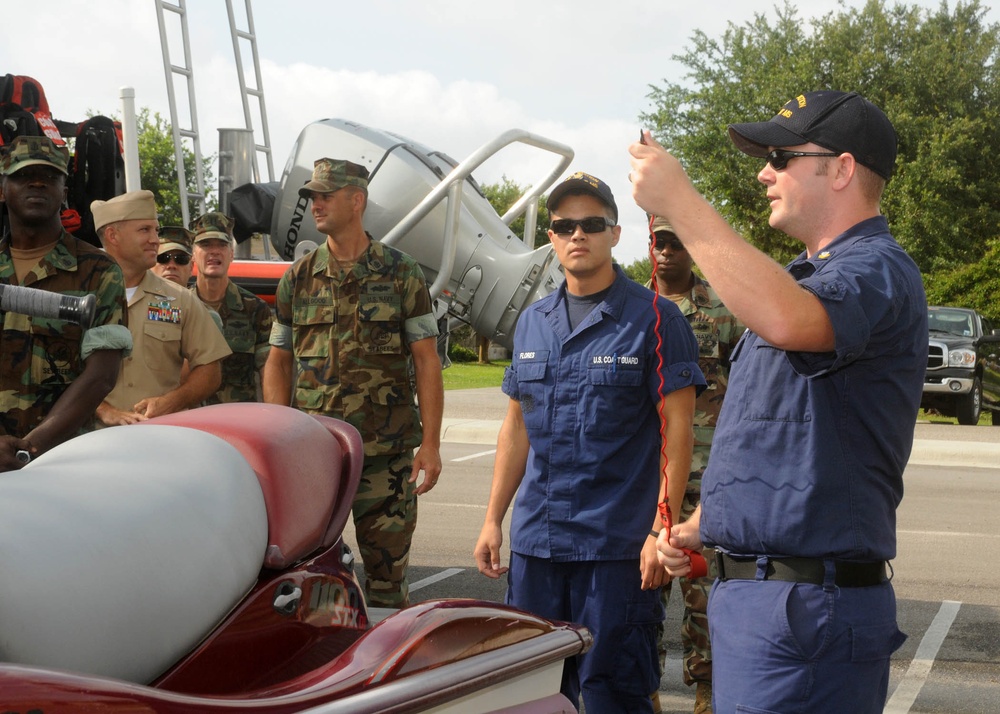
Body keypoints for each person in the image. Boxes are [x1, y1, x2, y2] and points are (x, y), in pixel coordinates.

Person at [631, 91, 926, 713]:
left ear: (841, 169)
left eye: (782, 157)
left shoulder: (876, 268)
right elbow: (781, 435)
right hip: (764, 601)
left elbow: (794, 323)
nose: (765, 172)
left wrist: (682, 203)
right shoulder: (801, 280)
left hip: (800, 608)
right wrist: (703, 525)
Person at [473, 171, 704, 713]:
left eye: (592, 223)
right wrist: (492, 519)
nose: (578, 234)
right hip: (537, 547)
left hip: (617, 549)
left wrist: (660, 527)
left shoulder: (656, 319)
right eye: (564, 225)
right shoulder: (531, 323)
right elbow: (516, 429)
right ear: (551, 237)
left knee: (612, 694)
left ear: (615, 233)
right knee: (533, 692)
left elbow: (678, 431)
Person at [263, 158, 443, 609]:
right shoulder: (298, 277)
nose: (316, 204)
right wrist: (278, 441)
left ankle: (384, 673)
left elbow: (426, 362)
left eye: (325, 195)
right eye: (313, 196)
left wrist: (432, 444)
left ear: (356, 200)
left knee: (386, 585)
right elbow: (279, 361)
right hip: (315, 455)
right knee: (311, 583)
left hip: (385, 458)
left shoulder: (401, 273)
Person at [646, 216, 743, 714]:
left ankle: (707, 691)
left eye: (676, 243)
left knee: (704, 593)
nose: (665, 253)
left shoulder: (722, 313)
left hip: (708, 475)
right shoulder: (632, 310)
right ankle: (646, 688)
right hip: (651, 474)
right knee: (645, 587)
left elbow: (747, 387)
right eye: (659, 243)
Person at [0, 136, 132, 470]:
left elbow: (102, 374)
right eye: (22, 175)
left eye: (50, 176)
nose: (37, 183)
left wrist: (30, 447)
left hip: (61, 462)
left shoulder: (99, 270)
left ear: (64, 192)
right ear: (2, 189)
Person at [93, 191, 231, 427]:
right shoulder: (78, 294)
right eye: (144, 230)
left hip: (159, 439)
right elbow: (51, 368)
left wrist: (172, 401)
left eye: (155, 231)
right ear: (112, 235)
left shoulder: (179, 299)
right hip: (87, 442)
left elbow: (210, 370)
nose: (155, 240)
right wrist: (102, 409)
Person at [189, 211, 272, 403]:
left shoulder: (255, 309)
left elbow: (269, 368)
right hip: (190, 420)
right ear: (193, 255)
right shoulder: (182, 306)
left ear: (231, 254)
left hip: (237, 420)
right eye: (205, 244)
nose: (214, 251)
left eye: (222, 245)